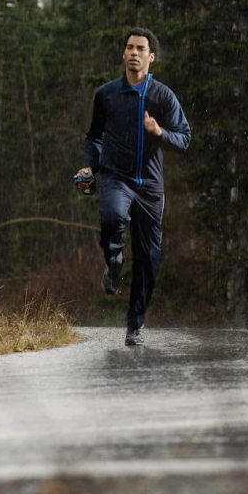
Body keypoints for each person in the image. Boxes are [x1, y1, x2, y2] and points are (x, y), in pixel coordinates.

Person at [74, 28, 191, 346]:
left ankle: (134, 327)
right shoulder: (106, 94)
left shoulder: (163, 97)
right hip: (116, 178)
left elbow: (185, 138)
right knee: (112, 218)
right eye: (130, 47)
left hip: (151, 189)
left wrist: (160, 132)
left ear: (151, 57)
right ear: (124, 55)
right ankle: (113, 262)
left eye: (141, 48)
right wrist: (90, 167)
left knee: (149, 259)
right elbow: (94, 137)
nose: (135, 52)